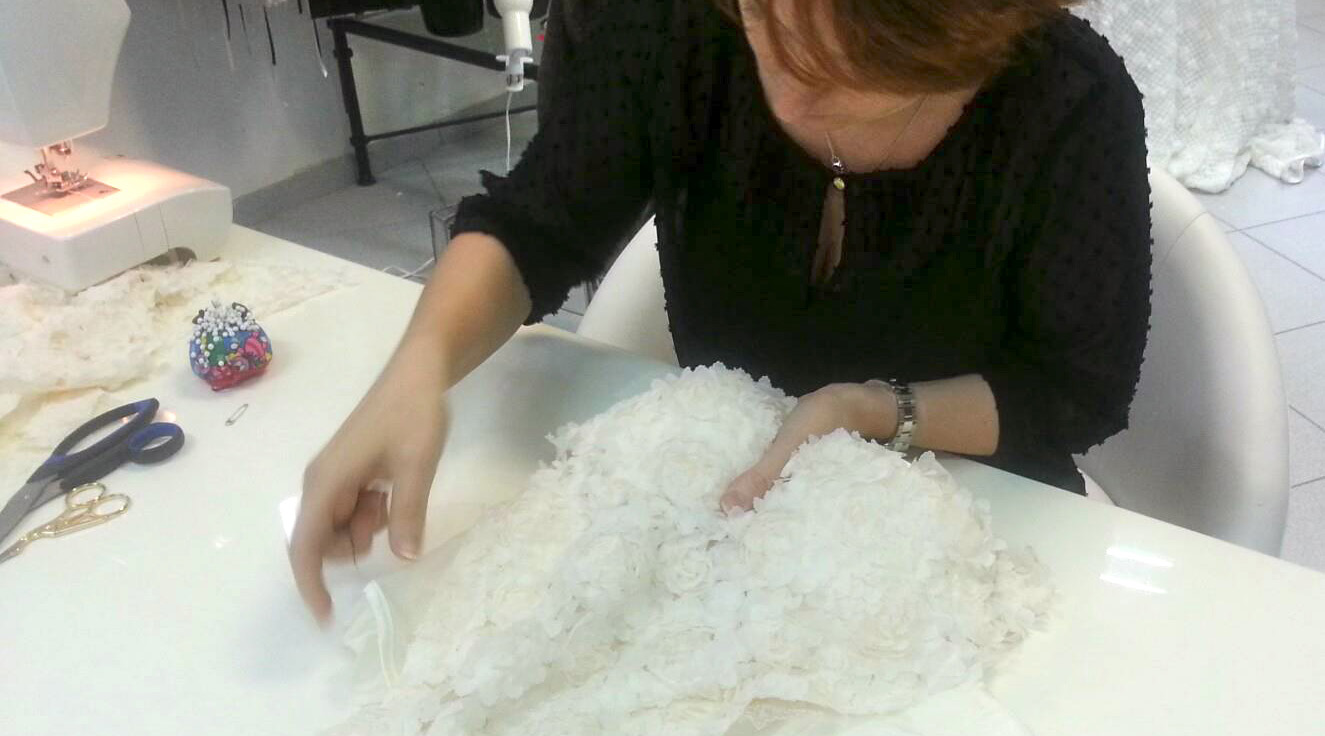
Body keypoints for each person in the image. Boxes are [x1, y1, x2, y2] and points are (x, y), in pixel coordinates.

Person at [290, 0, 1152, 623]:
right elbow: (540, 221)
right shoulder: (666, 23)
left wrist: (871, 410)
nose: (790, 96)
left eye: (850, 72)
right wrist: (418, 369)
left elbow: (1075, 390)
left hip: (969, 510)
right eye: (766, 18)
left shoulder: (1068, 100)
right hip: (717, 513)